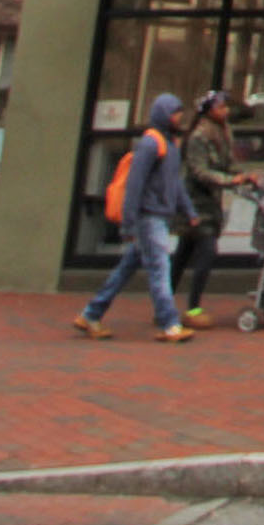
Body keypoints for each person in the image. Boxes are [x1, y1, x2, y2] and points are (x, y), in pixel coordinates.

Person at [74, 93, 197, 342]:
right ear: (164, 115)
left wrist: (189, 211)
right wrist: (129, 223)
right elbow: (135, 185)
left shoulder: (170, 144)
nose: (179, 117)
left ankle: (91, 314)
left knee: (126, 269)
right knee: (160, 269)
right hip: (149, 217)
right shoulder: (151, 144)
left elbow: (175, 183)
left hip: (158, 216)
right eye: (175, 113)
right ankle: (170, 323)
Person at [176, 90, 259, 330]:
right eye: (221, 107)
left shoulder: (223, 132)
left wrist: (244, 175)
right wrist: (231, 180)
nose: (226, 111)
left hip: (210, 201)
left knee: (183, 252)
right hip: (195, 202)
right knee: (205, 251)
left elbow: (227, 163)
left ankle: (163, 304)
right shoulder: (199, 136)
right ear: (209, 110)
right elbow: (200, 172)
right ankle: (193, 308)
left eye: (226, 107)